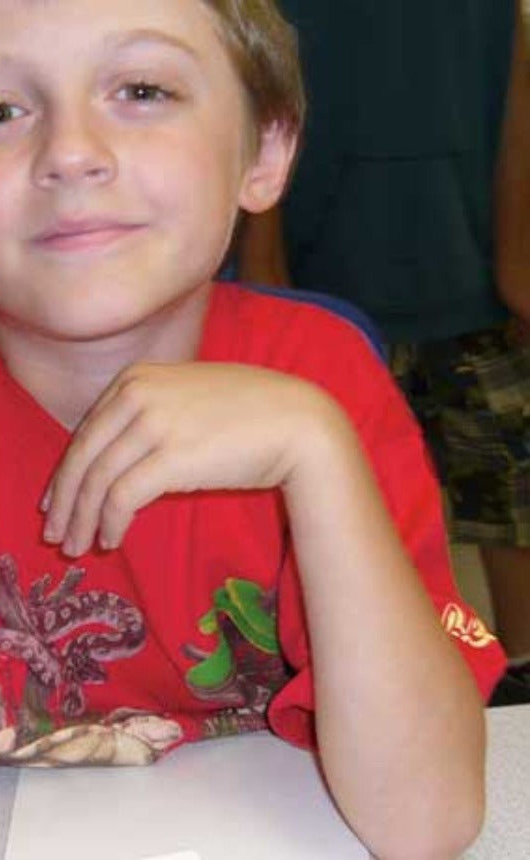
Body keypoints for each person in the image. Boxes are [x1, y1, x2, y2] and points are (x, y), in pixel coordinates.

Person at [0, 0, 505, 857]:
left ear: (264, 150)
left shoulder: (326, 385)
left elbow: (428, 822)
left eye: (144, 89)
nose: (72, 153)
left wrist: (318, 457)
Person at [240, 0, 530, 703]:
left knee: (513, 504)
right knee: (355, 523)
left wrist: (518, 269)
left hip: (476, 291)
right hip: (328, 302)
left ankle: (517, 676)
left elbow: (517, 115)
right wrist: (264, 275)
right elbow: (254, 107)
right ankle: (382, 692)